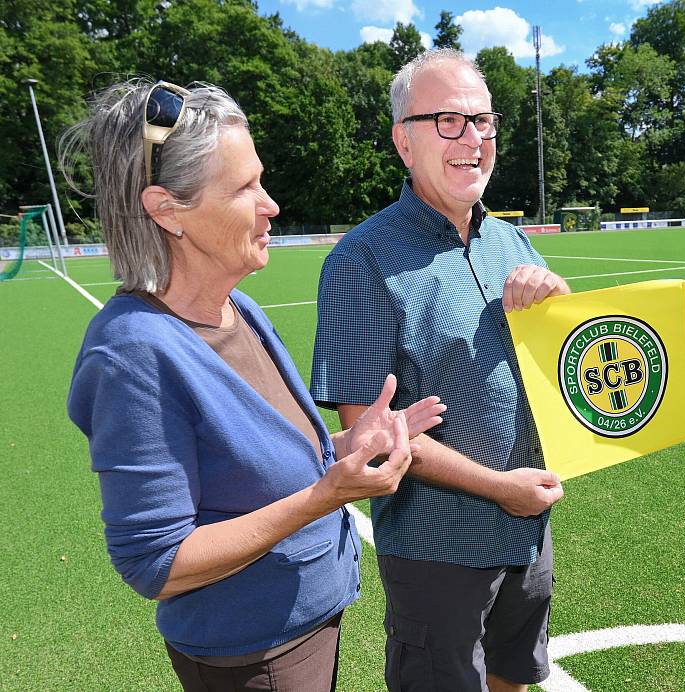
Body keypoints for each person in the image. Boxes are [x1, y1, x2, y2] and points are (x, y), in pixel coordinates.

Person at [64, 78, 446, 691]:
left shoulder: (236, 307)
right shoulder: (132, 354)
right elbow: (156, 563)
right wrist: (327, 495)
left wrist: (353, 446)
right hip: (252, 658)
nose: (270, 205)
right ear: (167, 209)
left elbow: (267, 467)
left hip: (305, 628)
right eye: (244, 188)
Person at [309, 49, 569, 692]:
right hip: (437, 549)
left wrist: (561, 307)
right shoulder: (361, 260)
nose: (473, 139)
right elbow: (368, 436)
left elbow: (560, 366)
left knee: (513, 675)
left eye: (483, 121)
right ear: (404, 141)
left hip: (529, 534)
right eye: (449, 121)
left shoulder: (512, 239)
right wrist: (499, 488)